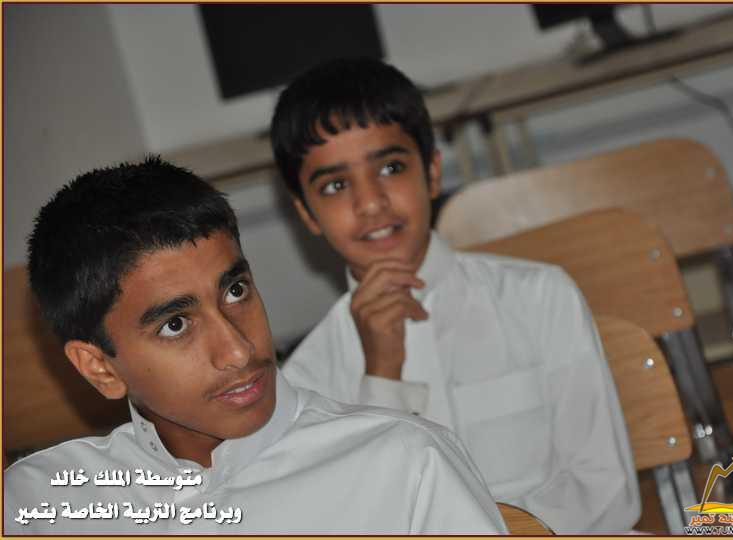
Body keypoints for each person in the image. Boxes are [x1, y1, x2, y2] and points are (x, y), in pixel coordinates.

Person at [4, 157, 507, 535]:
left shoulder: (405, 464)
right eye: (176, 325)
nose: (239, 351)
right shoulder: (40, 501)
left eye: (235, 291)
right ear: (99, 368)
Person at [271, 57, 641, 534]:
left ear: (431, 173)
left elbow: (605, 493)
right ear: (306, 213)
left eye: (391, 167)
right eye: (336, 185)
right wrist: (381, 375)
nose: (371, 202)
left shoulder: (540, 298)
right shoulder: (306, 384)